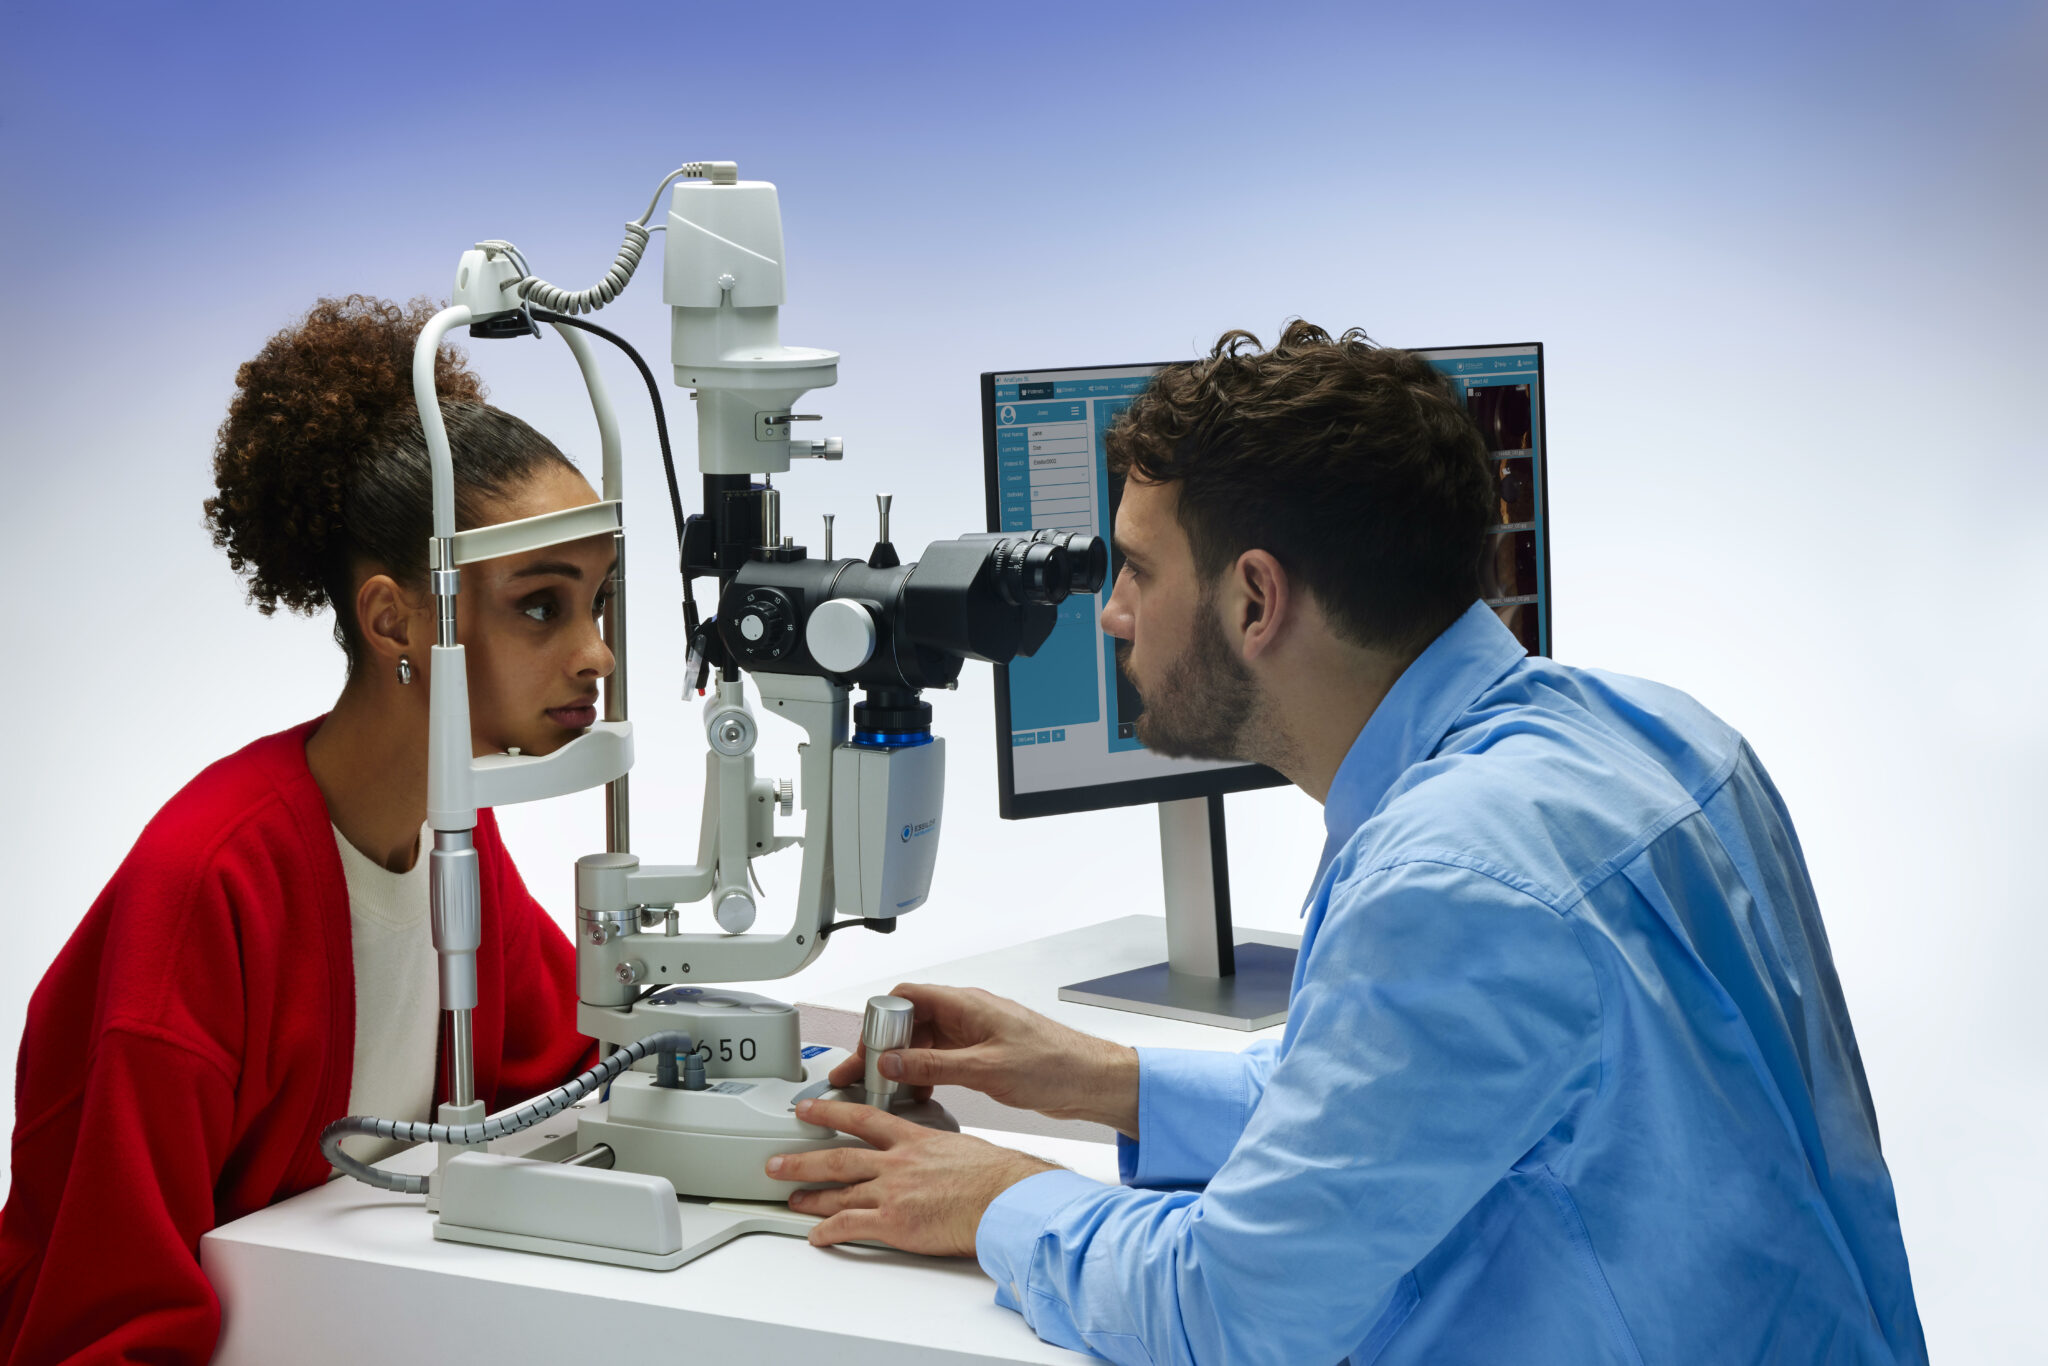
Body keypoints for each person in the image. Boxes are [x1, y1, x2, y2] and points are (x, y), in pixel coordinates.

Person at [767, 323, 1928, 1365]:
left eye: (1137, 569)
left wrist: (997, 1197)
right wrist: (1103, 1081)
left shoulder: (1446, 879)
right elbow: (1397, 1108)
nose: (1111, 611)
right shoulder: (1658, 734)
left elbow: (1228, 1315)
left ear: (1254, 599)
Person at [0, 297, 605, 1364]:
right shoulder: (209, 886)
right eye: (541, 606)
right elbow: (108, 1316)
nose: (596, 653)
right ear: (393, 620)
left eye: (600, 603)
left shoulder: (454, 834)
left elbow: (569, 1064)